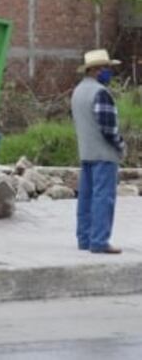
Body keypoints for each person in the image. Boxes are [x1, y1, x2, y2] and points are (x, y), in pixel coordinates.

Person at [72, 49, 126, 255]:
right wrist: (121, 146)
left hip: (86, 151)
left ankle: (84, 238)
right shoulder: (100, 93)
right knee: (104, 198)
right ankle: (100, 240)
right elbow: (108, 128)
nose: (108, 72)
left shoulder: (78, 91)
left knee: (86, 198)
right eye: (106, 68)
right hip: (104, 154)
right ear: (94, 70)